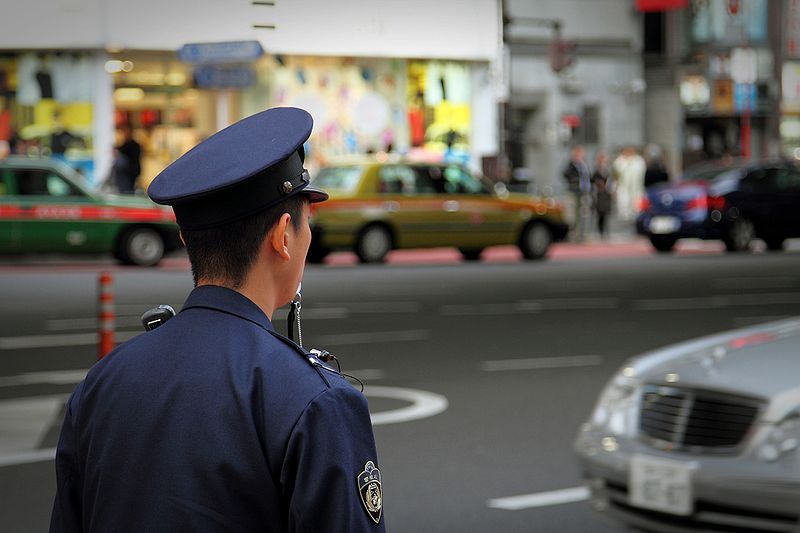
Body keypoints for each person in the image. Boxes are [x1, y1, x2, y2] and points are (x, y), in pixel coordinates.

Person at [50, 107, 386, 532]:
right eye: (306, 225)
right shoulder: (314, 400)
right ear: (284, 236)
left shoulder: (102, 384)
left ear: (188, 239)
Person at [562, 144, 591, 241]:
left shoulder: (584, 164)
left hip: (584, 192)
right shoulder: (571, 164)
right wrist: (575, 180)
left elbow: (588, 176)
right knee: (572, 216)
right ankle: (573, 235)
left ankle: (583, 234)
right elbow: (565, 174)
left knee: (584, 214)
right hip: (574, 192)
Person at [612, 146, 646, 222]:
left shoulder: (639, 161)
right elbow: (615, 176)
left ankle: (636, 219)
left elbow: (641, 174)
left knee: (636, 206)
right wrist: (614, 188)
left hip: (636, 188)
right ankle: (625, 220)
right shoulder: (619, 161)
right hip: (623, 188)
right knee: (624, 205)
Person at [112, 123, 141, 194]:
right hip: (128, 173)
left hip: (129, 174)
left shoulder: (132, 145)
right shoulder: (127, 145)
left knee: (127, 192)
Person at [591, 151, 613, 238]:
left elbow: (611, 181)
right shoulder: (596, 171)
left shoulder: (607, 171)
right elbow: (592, 180)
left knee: (606, 214)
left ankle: (605, 231)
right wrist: (598, 183)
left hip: (606, 194)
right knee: (600, 214)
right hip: (599, 195)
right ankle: (600, 231)